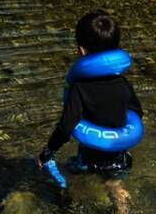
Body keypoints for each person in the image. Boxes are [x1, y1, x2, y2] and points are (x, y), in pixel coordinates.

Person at [38, 9, 143, 176]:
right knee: (114, 183)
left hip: (90, 161)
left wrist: (47, 153)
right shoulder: (123, 83)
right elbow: (137, 112)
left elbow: (65, 127)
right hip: (121, 157)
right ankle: (118, 192)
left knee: (68, 170)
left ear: (81, 50)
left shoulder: (79, 88)